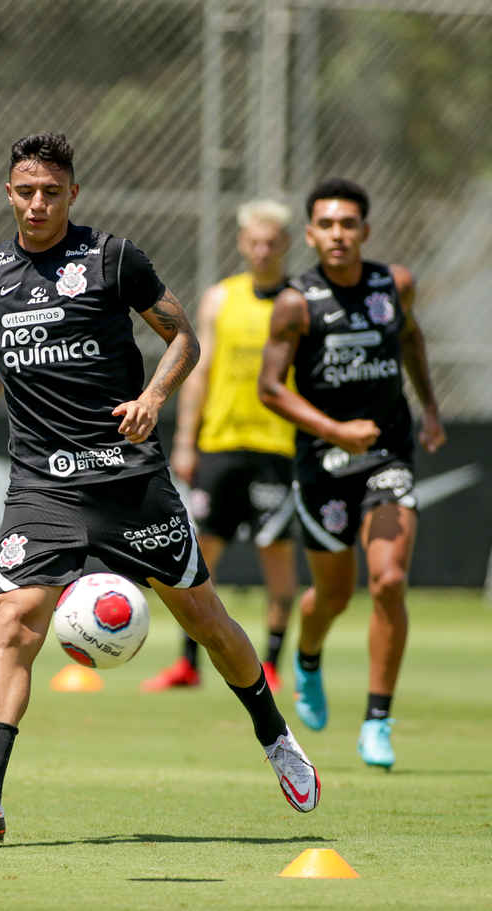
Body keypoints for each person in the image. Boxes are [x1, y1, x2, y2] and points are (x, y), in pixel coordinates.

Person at [0, 133, 319, 847]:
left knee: (203, 616)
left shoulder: (112, 258)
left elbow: (182, 339)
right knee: (16, 620)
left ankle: (275, 736)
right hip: (41, 485)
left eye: (52, 190)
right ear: (9, 193)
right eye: (27, 190)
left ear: (72, 194)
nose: (39, 202)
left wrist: (152, 395)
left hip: (127, 478)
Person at [258, 178, 445, 771]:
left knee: (388, 581)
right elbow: (269, 389)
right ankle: (308, 658)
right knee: (332, 595)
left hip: (388, 457)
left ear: (365, 230)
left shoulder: (397, 284)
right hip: (323, 466)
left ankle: (378, 719)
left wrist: (431, 408)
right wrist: (335, 431)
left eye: (348, 224)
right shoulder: (296, 303)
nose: (338, 234)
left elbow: (411, 340)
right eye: (326, 225)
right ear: (310, 234)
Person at [142, 199, 298, 694]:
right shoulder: (219, 300)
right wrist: (186, 440)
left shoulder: (299, 303)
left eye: (272, 241)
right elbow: (199, 370)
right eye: (255, 240)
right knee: (198, 552)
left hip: (278, 447)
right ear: (242, 243)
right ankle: (189, 663)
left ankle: (271, 662)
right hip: (221, 444)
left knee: (275, 551)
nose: (263, 249)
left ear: (285, 244)